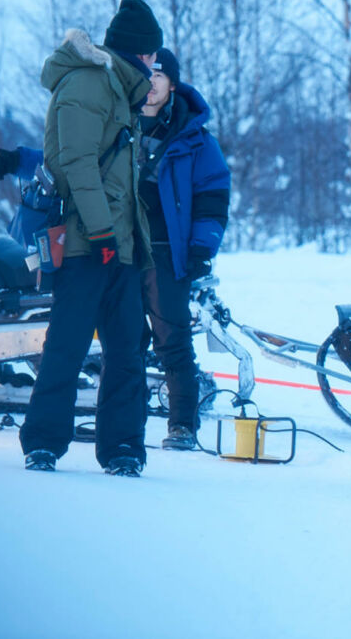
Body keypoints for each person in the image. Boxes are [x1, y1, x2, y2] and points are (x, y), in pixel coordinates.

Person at [19, 0, 161, 477]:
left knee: (126, 350)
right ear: (139, 53)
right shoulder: (90, 82)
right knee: (68, 344)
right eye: (153, 56)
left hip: (119, 245)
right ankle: (42, 443)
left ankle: (123, 447)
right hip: (88, 243)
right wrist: (101, 230)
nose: (155, 65)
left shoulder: (118, 89)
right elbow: (75, 163)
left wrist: (124, 238)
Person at [136, 48, 230, 452]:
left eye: (158, 75)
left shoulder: (195, 138)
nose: (150, 83)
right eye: (144, 74)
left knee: (172, 341)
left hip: (165, 254)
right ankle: (121, 427)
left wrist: (200, 249)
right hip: (116, 252)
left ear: (172, 83)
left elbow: (213, 199)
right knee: (122, 342)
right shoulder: (114, 124)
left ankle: (182, 426)